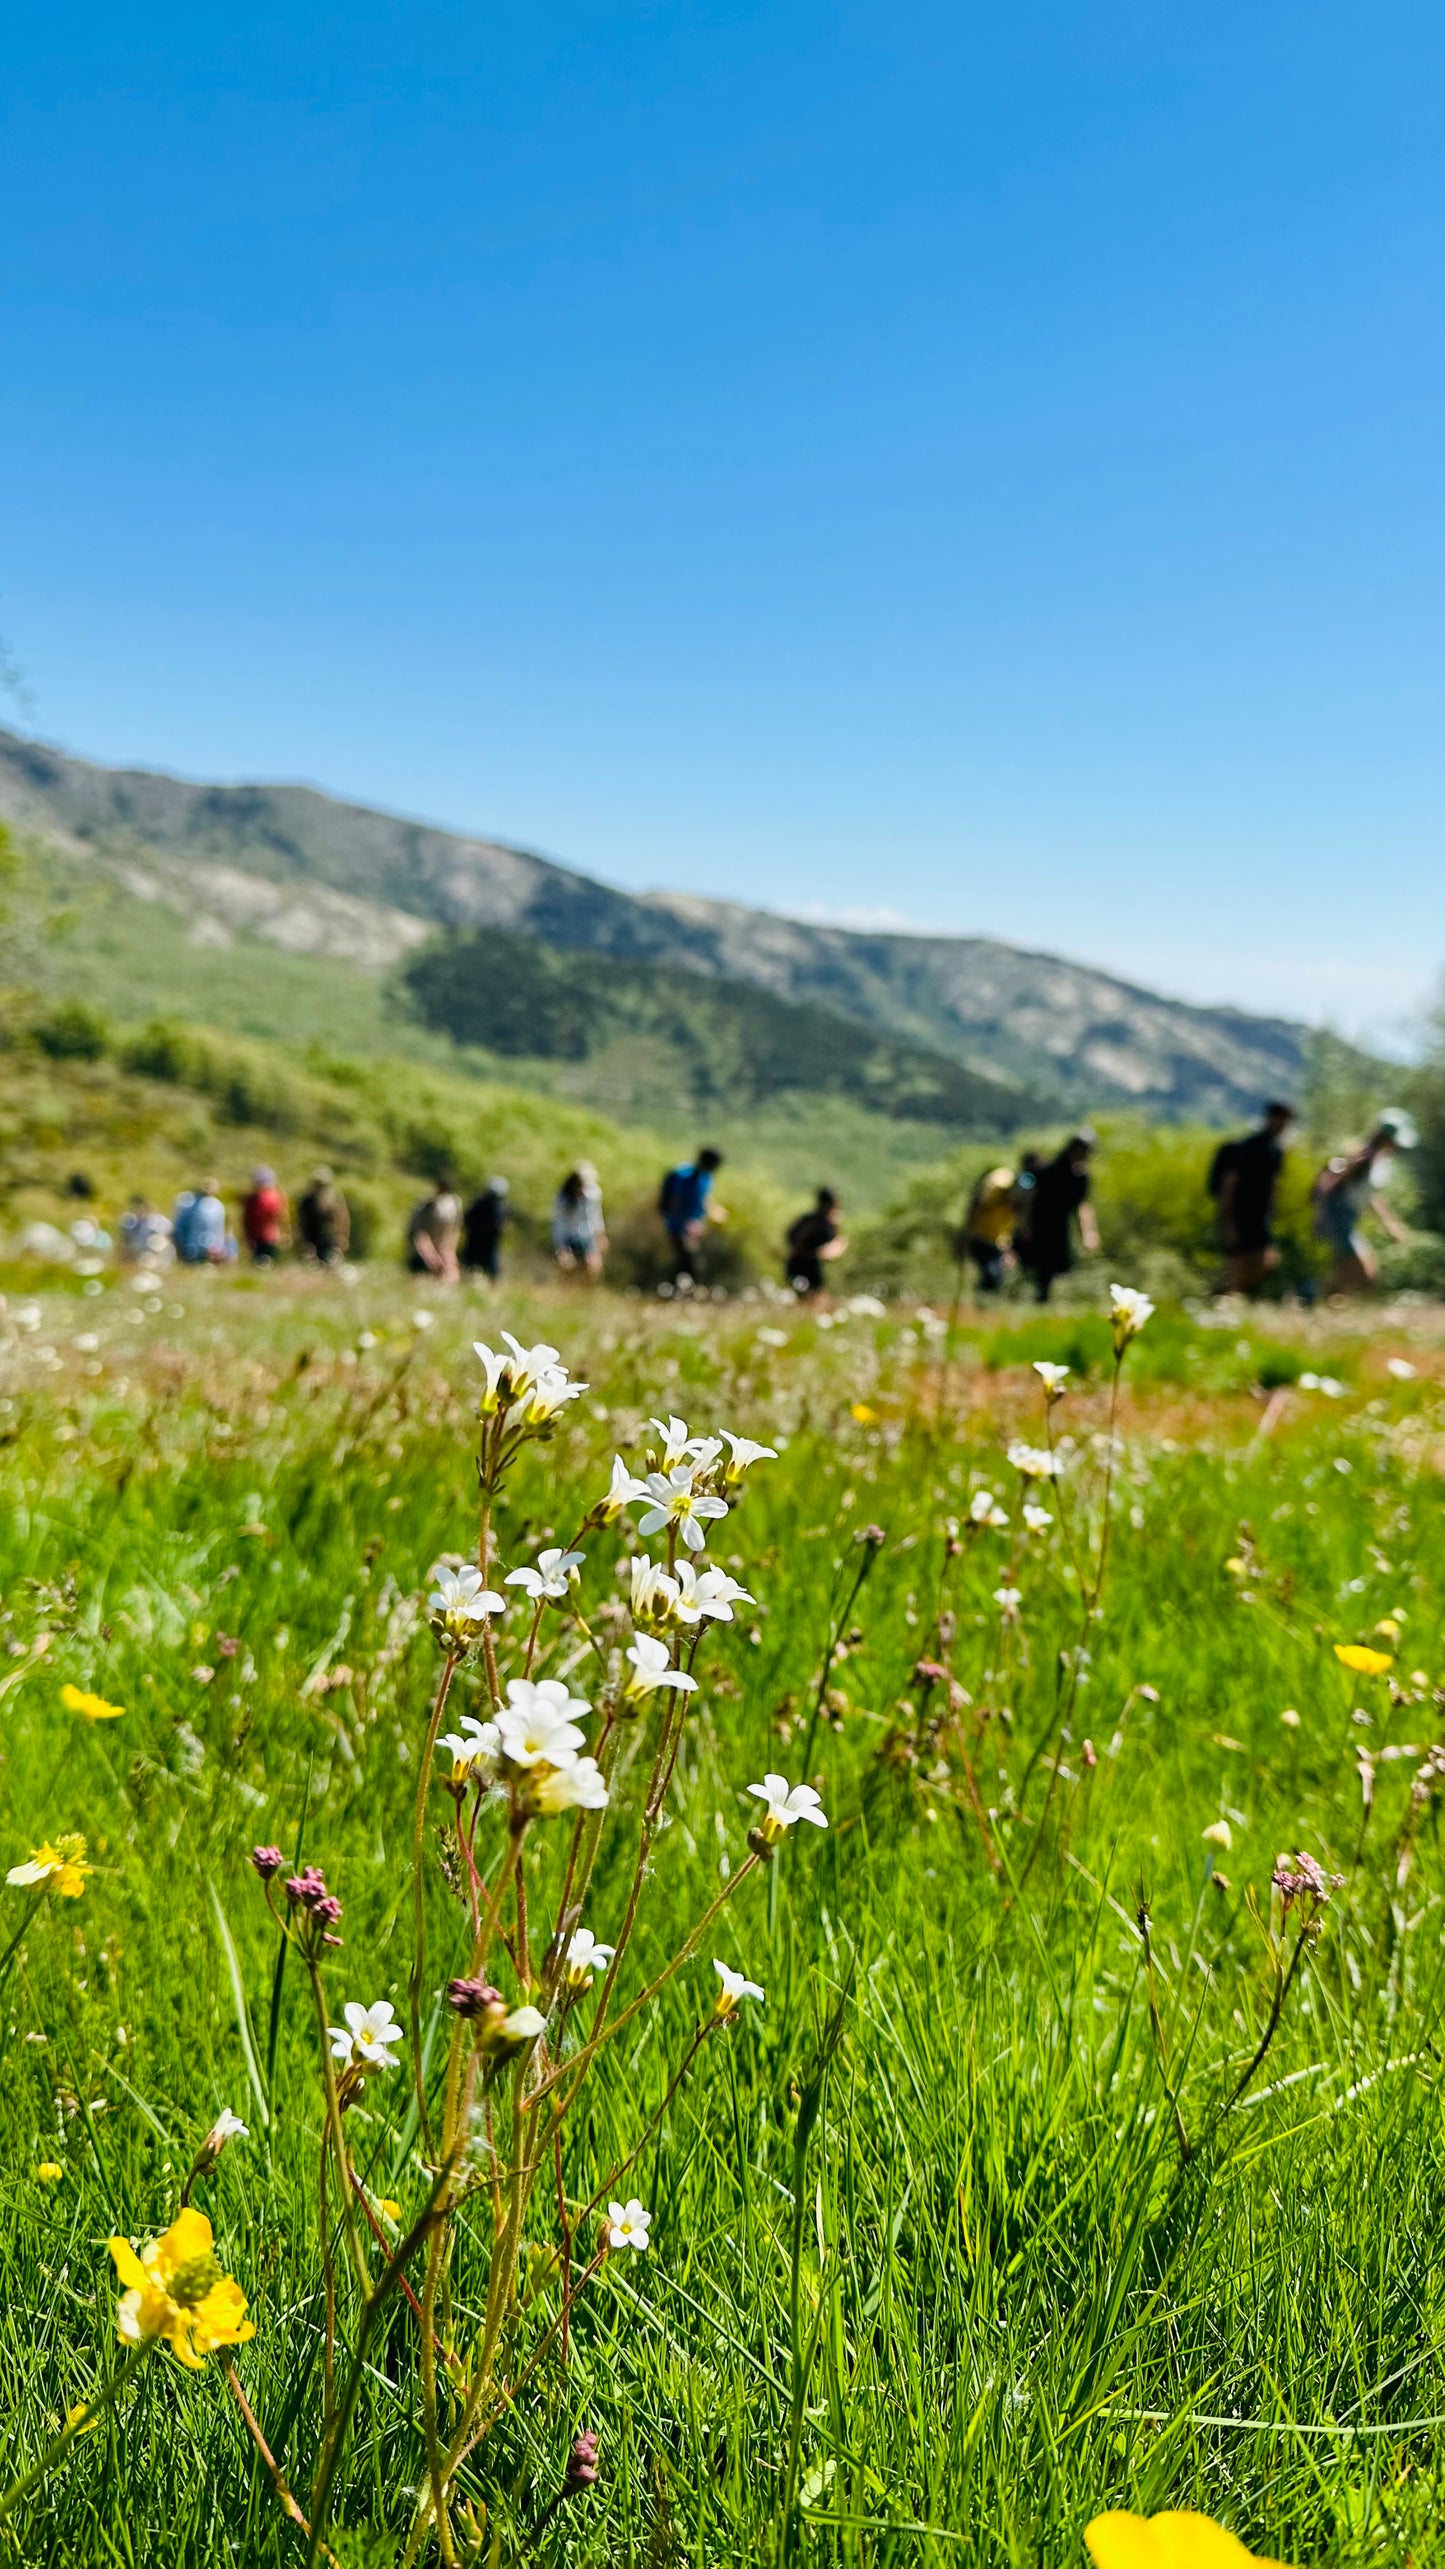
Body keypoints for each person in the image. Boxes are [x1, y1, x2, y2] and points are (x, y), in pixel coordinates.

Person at [1311, 1110, 1416, 1294]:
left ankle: (1317, 1303)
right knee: (1362, 1272)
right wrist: (1321, 1216)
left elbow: (1372, 1196)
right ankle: (1309, 1298)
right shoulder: (1364, 1157)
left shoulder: (1380, 1161)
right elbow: (1331, 1188)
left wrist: (1390, 1224)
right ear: (1388, 1138)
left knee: (1352, 1273)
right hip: (1339, 1216)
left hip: (1348, 1218)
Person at [1208, 1101, 1295, 1295]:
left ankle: (1221, 1295)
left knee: (1265, 1261)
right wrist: (1228, 1216)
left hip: (1261, 1216)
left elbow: (1273, 1184)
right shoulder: (1249, 1147)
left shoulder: (1276, 1151)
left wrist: (1274, 1210)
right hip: (1240, 1214)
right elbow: (1229, 1182)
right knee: (1239, 1263)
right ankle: (1226, 1299)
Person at [1019, 1132, 1099, 1302]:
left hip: (1060, 1225)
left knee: (1056, 1266)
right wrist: (1026, 1225)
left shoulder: (1081, 1177)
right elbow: (1030, 1198)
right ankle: (1034, 1299)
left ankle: (1044, 1300)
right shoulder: (1051, 1169)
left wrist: (1089, 1232)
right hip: (1041, 1222)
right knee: (1039, 1265)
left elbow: (1083, 1205)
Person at [658, 1148, 726, 1285]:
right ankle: (675, 1289)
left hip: (692, 1227)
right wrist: (684, 1225)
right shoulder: (684, 1177)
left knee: (687, 1261)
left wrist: (713, 1212)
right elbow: (676, 1202)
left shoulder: (706, 1178)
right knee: (690, 1261)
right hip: (678, 1227)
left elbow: (704, 1199)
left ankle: (675, 1290)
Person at [961, 1163, 1018, 1295]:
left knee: (996, 1275)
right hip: (982, 1238)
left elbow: (1006, 1229)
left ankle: (986, 1301)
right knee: (992, 1273)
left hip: (997, 1243)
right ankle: (983, 1301)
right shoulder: (995, 1196)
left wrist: (1007, 1249)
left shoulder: (1011, 1209)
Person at [785, 1188, 847, 1299]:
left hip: (814, 1264)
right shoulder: (813, 1221)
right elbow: (796, 1241)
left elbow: (836, 1243)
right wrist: (812, 1253)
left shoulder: (831, 1222)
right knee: (806, 1296)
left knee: (816, 1296)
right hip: (800, 1264)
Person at [552, 1167, 608, 1280]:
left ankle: (587, 1294)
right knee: (566, 1266)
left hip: (587, 1237)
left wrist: (601, 1236)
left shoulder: (593, 1195)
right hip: (569, 1238)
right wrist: (561, 1249)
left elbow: (596, 1216)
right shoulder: (563, 1199)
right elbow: (559, 1224)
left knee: (593, 1267)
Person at [406, 1180, 463, 1282]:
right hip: (431, 1249)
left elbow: (454, 1229)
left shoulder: (450, 1203)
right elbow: (420, 1234)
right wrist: (431, 1256)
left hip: (440, 1247)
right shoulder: (433, 1204)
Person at [296, 1168, 351, 1266]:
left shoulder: (334, 1198)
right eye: (318, 1184)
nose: (320, 1187)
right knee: (312, 1266)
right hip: (311, 1239)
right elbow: (302, 1221)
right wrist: (303, 1240)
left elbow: (342, 1218)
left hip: (329, 1238)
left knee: (330, 1264)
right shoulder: (306, 1200)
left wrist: (342, 1236)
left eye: (323, 1184)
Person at [461, 1177, 509, 1280]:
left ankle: (491, 1282)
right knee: (472, 1263)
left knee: (489, 1265)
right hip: (477, 1239)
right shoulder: (482, 1203)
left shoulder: (498, 1207)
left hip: (487, 1241)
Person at [173, 1179, 229, 1266]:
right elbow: (181, 1226)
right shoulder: (190, 1205)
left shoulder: (218, 1206)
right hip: (193, 1248)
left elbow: (219, 1229)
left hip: (213, 1250)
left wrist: (219, 1247)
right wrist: (181, 1244)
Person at [241, 1165, 290, 1267]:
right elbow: (247, 1219)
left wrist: (285, 1233)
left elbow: (282, 1217)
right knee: (260, 1264)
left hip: (270, 1237)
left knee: (267, 1264)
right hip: (257, 1237)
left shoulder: (275, 1197)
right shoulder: (252, 1199)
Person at [119, 1195, 171, 1265]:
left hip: (155, 1255)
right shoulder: (130, 1221)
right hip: (135, 1255)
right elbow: (124, 1241)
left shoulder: (159, 1222)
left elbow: (165, 1239)